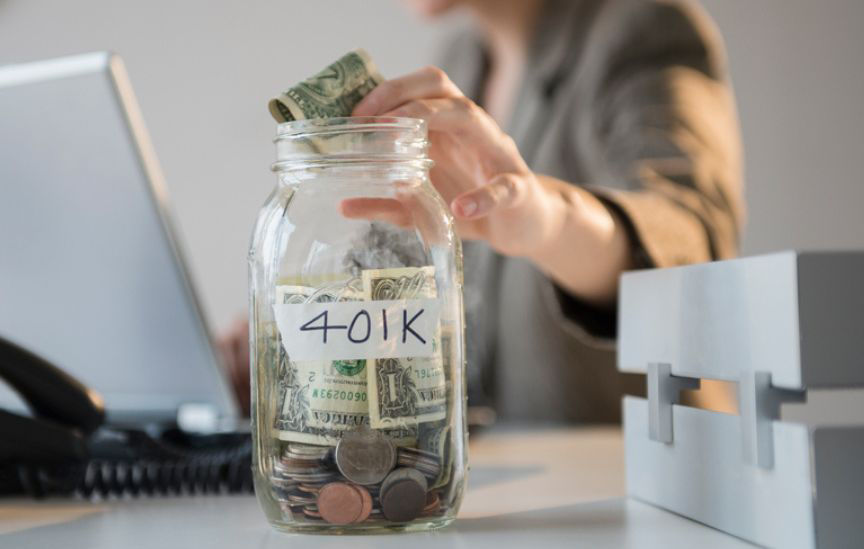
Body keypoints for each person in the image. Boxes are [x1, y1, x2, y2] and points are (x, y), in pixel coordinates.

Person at [222, 0, 743, 422]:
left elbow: (691, 241)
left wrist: (548, 223)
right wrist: (307, 350)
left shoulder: (641, 28)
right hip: (521, 489)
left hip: (649, 483)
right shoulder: (462, 62)